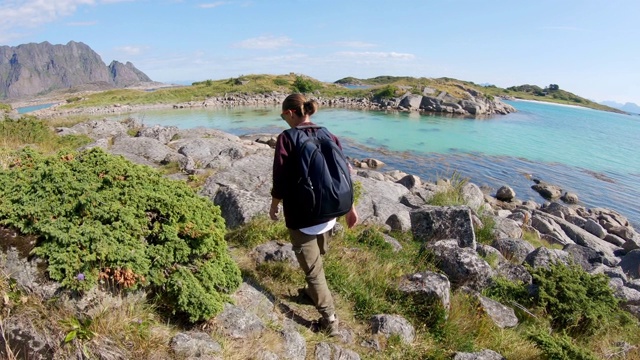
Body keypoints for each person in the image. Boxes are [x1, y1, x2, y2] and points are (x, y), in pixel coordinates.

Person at [270, 93, 358, 336]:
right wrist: (350, 208)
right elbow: (345, 172)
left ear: (290, 113)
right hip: (331, 211)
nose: (283, 120)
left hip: (304, 216)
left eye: (282, 115)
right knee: (318, 259)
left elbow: (281, 179)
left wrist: (274, 204)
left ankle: (329, 320)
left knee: (313, 270)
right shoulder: (328, 133)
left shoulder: (287, 137)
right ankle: (311, 292)